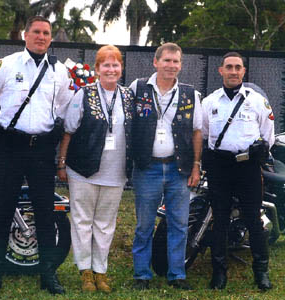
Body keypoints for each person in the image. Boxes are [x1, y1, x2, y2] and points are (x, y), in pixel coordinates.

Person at [0, 16, 73, 298]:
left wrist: (57, 126)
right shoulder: (6, 65)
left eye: (46, 33)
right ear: (25, 35)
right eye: (36, 32)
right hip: (12, 148)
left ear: (51, 38)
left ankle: (48, 273)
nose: (41, 37)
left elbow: (66, 106)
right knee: (2, 211)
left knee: (44, 213)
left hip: (42, 150)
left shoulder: (59, 72)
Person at [57, 45, 134, 293]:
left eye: (115, 64)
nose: (111, 69)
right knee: (82, 221)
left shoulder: (128, 96)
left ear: (121, 68)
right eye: (105, 65)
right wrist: (62, 163)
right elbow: (69, 131)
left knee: (105, 223)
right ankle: (85, 273)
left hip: (116, 171)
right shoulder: (84, 93)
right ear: (97, 68)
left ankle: (101, 271)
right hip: (83, 169)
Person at [129, 42, 202, 290]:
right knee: (144, 225)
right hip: (146, 168)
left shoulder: (190, 94)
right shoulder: (138, 88)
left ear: (181, 65)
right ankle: (141, 274)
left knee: (179, 224)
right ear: (156, 62)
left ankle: (177, 274)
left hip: (178, 170)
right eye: (167, 60)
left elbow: (196, 132)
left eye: (176, 61)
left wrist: (195, 166)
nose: (171, 65)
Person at [201, 51, 275, 290]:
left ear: (244, 71)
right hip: (219, 167)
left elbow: (267, 136)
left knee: (253, 220)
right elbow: (202, 134)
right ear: (220, 70)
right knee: (220, 220)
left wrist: (257, 152)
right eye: (229, 67)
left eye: (238, 67)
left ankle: (261, 272)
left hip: (247, 168)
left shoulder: (256, 101)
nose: (233, 71)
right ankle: (219, 273)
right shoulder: (210, 102)